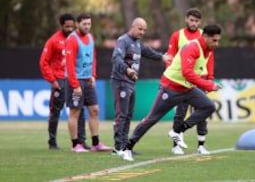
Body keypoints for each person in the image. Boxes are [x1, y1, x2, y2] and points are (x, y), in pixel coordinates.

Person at [120, 24, 222, 161]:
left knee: (208, 106)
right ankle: (127, 147)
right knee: (152, 119)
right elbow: (187, 73)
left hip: (187, 88)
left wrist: (209, 80)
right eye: (214, 40)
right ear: (205, 37)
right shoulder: (192, 47)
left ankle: (177, 131)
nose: (217, 43)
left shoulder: (208, 49)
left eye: (218, 40)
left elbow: (199, 71)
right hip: (171, 87)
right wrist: (209, 85)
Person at [110, 17, 170, 157]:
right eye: (140, 28)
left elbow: (148, 52)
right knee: (121, 115)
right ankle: (118, 147)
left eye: (144, 30)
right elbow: (116, 58)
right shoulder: (123, 40)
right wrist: (127, 69)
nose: (142, 32)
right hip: (121, 81)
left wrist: (162, 57)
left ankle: (125, 146)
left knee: (128, 115)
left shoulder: (137, 43)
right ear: (133, 26)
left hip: (131, 83)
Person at [39, 13, 88, 150]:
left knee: (79, 109)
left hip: (75, 79)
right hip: (60, 80)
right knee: (55, 111)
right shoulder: (54, 40)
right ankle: (52, 142)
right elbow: (44, 62)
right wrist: (52, 80)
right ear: (61, 26)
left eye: (72, 26)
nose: (70, 29)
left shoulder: (78, 40)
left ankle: (81, 141)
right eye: (67, 27)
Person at [166, 8, 212, 155]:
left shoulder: (205, 35)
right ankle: (176, 145)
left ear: (200, 22)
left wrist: (210, 77)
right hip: (182, 81)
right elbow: (170, 57)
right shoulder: (177, 35)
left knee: (202, 112)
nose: (194, 23)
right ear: (186, 19)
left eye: (196, 21)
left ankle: (201, 145)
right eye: (191, 20)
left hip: (200, 80)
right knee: (180, 112)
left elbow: (210, 58)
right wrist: (172, 77)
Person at [65, 13, 111, 152]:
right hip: (76, 81)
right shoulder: (72, 39)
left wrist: (93, 75)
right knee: (75, 112)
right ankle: (75, 145)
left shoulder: (90, 37)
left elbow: (93, 57)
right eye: (84, 24)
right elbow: (69, 64)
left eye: (89, 24)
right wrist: (75, 85)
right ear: (78, 24)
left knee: (94, 110)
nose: (87, 26)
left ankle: (96, 144)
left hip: (88, 80)